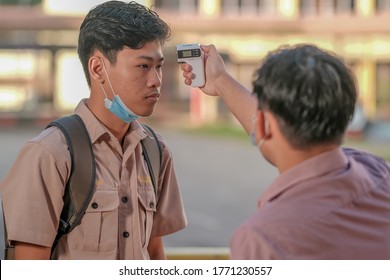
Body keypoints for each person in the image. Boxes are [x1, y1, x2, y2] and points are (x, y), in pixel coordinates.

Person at [0, 1, 187, 260]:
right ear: (98, 69)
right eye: (143, 66)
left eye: (159, 66)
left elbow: (154, 253)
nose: (156, 80)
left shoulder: (155, 151)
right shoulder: (50, 154)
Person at [181, 44, 390, 259]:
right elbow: (275, 127)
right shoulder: (379, 172)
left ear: (262, 125)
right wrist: (220, 81)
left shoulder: (263, 239)